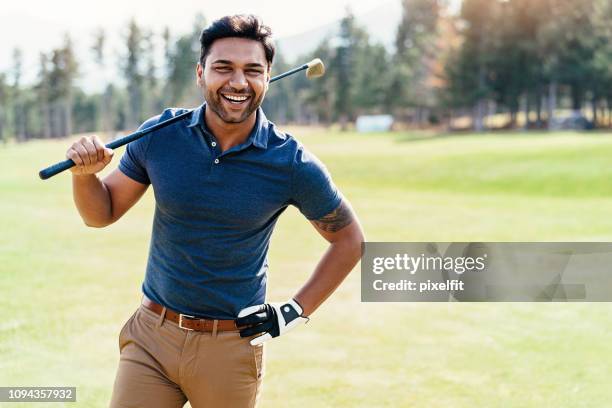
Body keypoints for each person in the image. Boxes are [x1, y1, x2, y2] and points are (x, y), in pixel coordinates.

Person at [66, 14, 364, 408]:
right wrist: (85, 176)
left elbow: (349, 239)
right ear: (200, 73)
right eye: (224, 68)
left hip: (230, 348)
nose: (238, 82)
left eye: (252, 70)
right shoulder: (161, 134)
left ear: (268, 76)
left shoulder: (290, 162)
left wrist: (293, 311)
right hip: (151, 338)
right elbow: (100, 213)